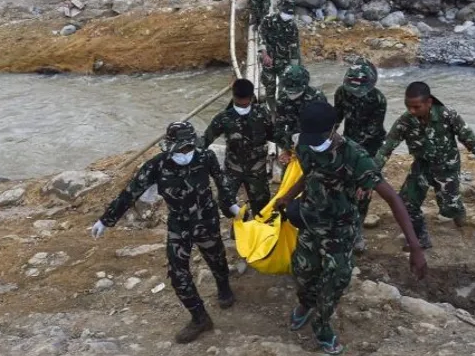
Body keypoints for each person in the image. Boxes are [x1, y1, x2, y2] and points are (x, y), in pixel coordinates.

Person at [274, 101, 427, 355]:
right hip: (311, 223)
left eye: (317, 138)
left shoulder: (355, 156)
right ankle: (305, 305)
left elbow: (392, 198)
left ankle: (322, 325)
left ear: (334, 128)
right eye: (307, 138)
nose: (311, 143)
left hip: (340, 229)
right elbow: (309, 174)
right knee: (302, 272)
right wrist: (288, 196)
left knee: (337, 279)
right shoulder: (306, 142)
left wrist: (415, 246)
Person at [90, 121, 239, 344]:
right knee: (178, 274)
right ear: (170, 146)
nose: (185, 153)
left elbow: (222, 182)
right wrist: (106, 220)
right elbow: (130, 193)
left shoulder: (206, 157)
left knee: (216, 258)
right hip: (179, 225)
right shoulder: (156, 166)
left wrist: (231, 207)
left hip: (206, 219)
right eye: (180, 149)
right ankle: (200, 318)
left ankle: (224, 287)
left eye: (188, 148)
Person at [374, 82, 475, 250]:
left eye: (416, 107)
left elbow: (466, 136)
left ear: (429, 102)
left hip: (446, 168)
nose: (412, 111)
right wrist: (372, 172)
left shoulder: (448, 115)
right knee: (405, 204)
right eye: (408, 106)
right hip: (422, 167)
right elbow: (387, 147)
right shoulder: (405, 121)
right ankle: (421, 239)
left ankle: (457, 209)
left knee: (448, 209)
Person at [334, 58, 386, 252]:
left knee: (363, 191)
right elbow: (335, 119)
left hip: (369, 148)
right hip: (347, 142)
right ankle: (344, 224)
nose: (355, 96)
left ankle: (357, 231)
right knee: (343, 188)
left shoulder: (378, 100)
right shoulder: (341, 93)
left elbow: (372, 133)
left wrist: (364, 169)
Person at [202, 79, 274, 217]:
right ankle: (242, 218)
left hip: (257, 169)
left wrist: (290, 146)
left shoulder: (261, 114)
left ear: (252, 97)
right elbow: (206, 139)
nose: (242, 104)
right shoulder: (223, 118)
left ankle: (256, 233)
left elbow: (274, 134)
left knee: (262, 208)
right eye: (239, 100)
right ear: (233, 97)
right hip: (233, 168)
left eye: (245, 100)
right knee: (225, 203)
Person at [274, 65, 327, 164]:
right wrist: (286, 149)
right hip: (291, 144)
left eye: (296, 91)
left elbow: (325, 128)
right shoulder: (282, 100)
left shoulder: (317, 98)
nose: (292, 95)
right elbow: (279, 128)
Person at [259, 0, 301, 110]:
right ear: (281, 10)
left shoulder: (292, 26)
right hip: (269, 60)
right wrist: (264, 54)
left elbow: (295, 47)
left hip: (284, 61)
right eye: (287, 12)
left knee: (285, 87)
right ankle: (272, 109)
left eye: (290, 13)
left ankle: (282, 111)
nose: (288, 15)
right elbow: (261, 37)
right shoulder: (268, 20)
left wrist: (295, 67)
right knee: (270, 86)